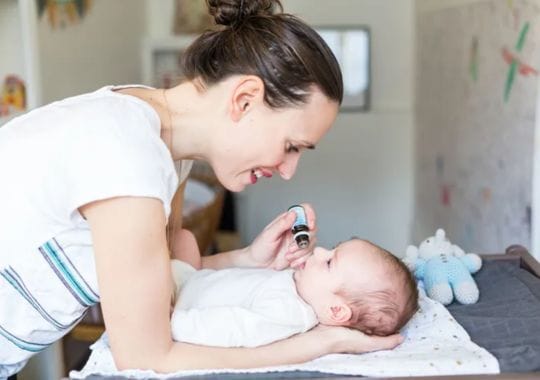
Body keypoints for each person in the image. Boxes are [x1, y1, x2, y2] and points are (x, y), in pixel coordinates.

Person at [0, 0, 404, 377]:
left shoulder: (164, 146)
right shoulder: (127, 154)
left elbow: (160, 281)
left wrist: (250, 259)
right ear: (245, 100)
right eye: (291, 146)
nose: (288, 171)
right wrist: (319, 343)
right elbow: (146, 357)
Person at [168, 229, 418, 348]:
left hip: (178, 302)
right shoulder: (301, 285)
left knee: (169, 248)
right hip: (193, 280)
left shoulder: (289, 313)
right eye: (333, 249)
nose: (319, 251)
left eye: (329, 262)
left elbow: (235, 327)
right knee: (184, 237)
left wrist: (175, 323)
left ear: (336, 311)